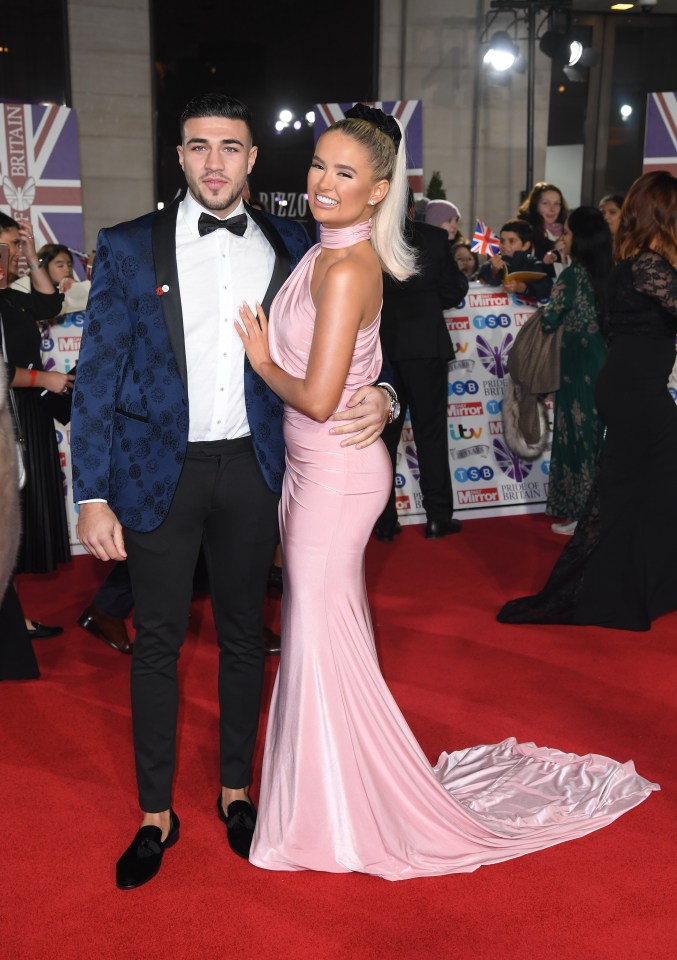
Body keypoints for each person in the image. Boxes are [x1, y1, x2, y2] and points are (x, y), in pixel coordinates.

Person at [235, 104, 656, 880]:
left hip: (333, 474)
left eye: (344, 174)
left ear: (378, 190)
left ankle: (334, 811)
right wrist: (387, 392)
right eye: (319, 166)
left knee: (317, 636)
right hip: (310, 470)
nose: (324, 183)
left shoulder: (353, 263)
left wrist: (261, 359)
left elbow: (323, 396)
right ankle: (331, 795)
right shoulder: (319, 247)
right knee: (321, 636)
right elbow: (360, 367)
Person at [70, 92, 392, 891]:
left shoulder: (298, 243)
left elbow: (369, 336)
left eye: (231, 147)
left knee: (248, 635)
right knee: (156, 642)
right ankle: (154, 815)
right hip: (156, 476)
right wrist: (91, 494)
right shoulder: (126, 247)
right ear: (179, 157)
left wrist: (389, 397)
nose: (214, 161)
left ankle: (238, 793)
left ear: (252, 161)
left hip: (256, 470)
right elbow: (95, 380)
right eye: (198, 146)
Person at [498, 171, 677, 630]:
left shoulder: (635, 262)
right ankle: (603, 595)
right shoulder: (647, 266)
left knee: (642, 491)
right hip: (636, 392)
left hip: (630, 387)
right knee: (626, 493)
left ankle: (642, 587)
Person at [374, 189, 468, 541]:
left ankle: (384, 522)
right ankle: (437, 517)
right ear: (412, 207)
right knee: (430, 434)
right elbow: (452, 290)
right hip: (427, 346)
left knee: (385, 439)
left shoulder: (370, 239)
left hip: (384, 350)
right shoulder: (434, 237)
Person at [0, 213, 72, 638]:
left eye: (13, 247)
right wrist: (43, 378)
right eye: (6, 246)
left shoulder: (12, 298)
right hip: (10, 412)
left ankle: (13, 616)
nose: (10, 257)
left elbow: (50, 303)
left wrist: (30, 251)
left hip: (27, 414)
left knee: (21, 519)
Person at [540, 208, 611, 535]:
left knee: (577, 438)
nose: (562, 238)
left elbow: (549, 318)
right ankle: (597, 511)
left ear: (579, 239)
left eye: (566, 233)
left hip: (576, 365)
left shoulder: (572, 276)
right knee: (599, 438)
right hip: (605, 361)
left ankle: (581, 514)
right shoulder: (612, 272)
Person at [478, 219, 552, 301]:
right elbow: (481, 276)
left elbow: (546, 287)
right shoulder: (495, 261)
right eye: (502, 241)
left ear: (526, 245)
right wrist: (493, 270)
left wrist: (522, 287)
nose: (505, 246)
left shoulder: (533, 264)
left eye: (511, 241)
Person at [517, 182, 569, 266]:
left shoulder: (569, 231)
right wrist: (553, 250)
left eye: (557, 203)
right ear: (535, 205)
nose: (552, 209)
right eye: (545, 203)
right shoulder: (526, 231)